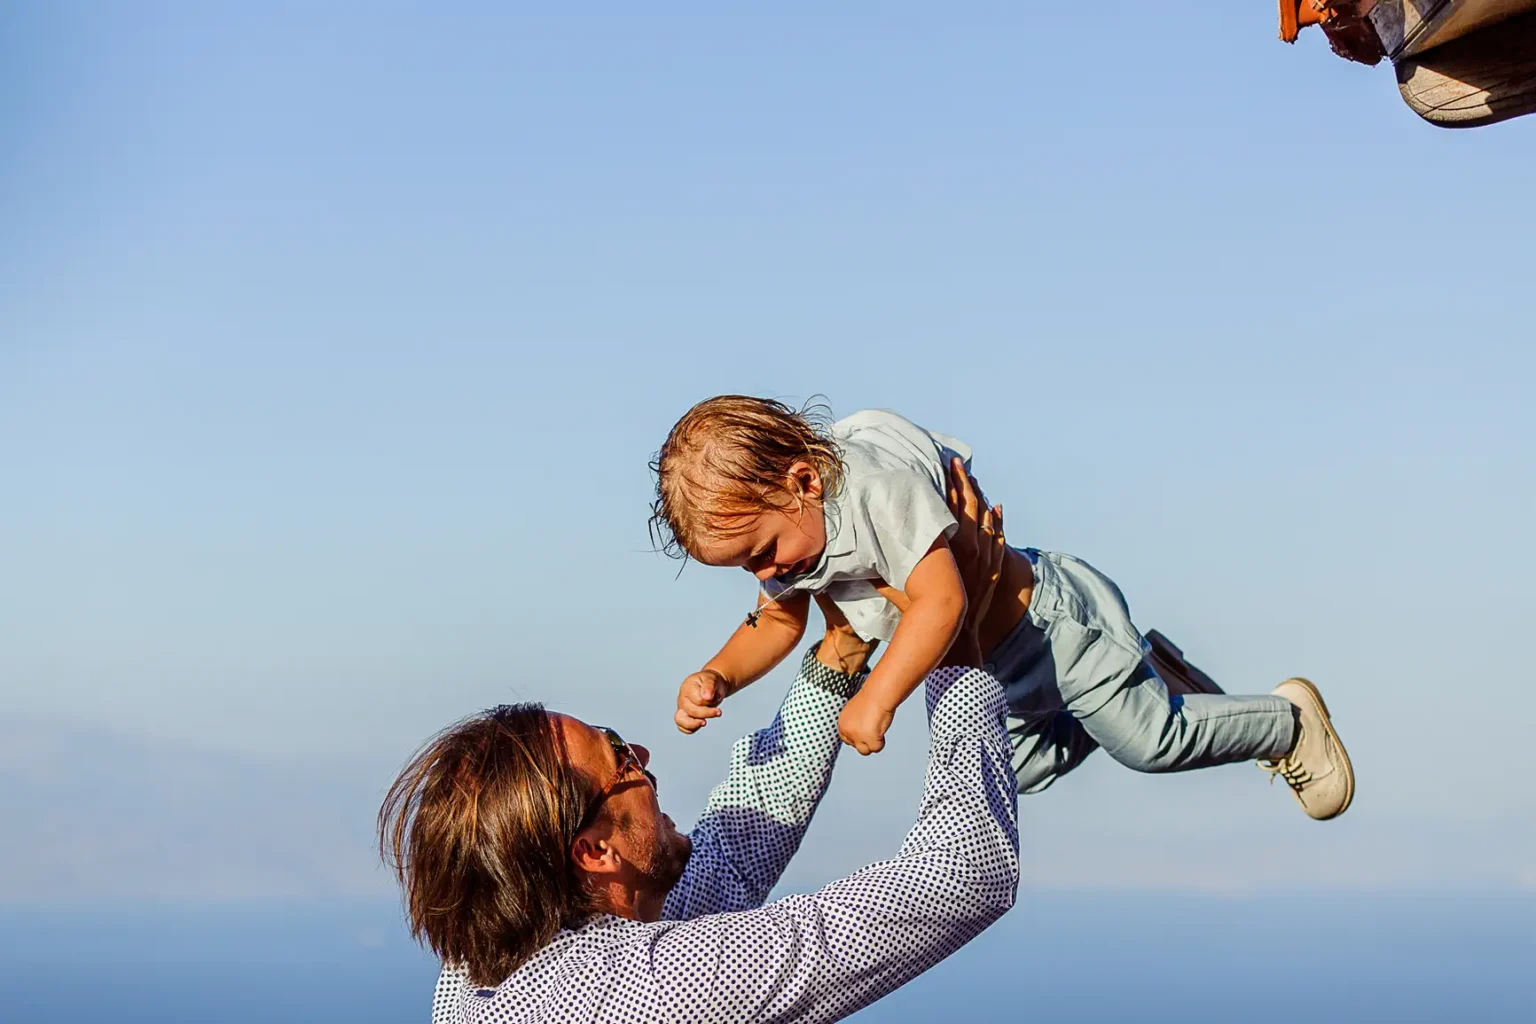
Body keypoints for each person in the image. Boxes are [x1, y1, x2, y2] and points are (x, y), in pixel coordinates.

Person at [379, 465, 1019, 1023]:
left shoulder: (490, 966)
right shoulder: (645, 993)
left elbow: (731, 857)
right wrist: (957, 646)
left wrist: (840, 650)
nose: (643, 758)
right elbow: (964, 876)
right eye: (619, 758)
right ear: (593, 851)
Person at [650, 396, 1354, 819]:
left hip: (1051, 626)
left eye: (763, 552)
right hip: (998, 669)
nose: (765, 573)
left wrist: (876, 699)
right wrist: (718, 676)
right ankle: (1146, 675)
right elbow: (779, 621)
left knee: (1150, 743)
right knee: (1013, 774)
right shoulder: (794, 542)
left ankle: (1286, 724)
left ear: (804, 481)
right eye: (746, 566)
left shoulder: (875, 495)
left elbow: (941, 600)